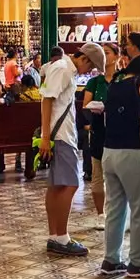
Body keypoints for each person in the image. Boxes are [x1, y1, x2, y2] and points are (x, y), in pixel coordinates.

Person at [99, 52, 140, 277]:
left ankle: (111, 259)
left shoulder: (115, 83)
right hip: (131, 152)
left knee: (115, 208)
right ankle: (138, 262)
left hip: (109, 151)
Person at [39, 40, 90, 257]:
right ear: (84, 59)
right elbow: (47, 100)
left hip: (60, 134)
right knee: (70, 184)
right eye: (91, 66)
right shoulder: (63, 69)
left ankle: (54, 236)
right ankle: (61, 236)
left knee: (57, 185)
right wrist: (45, 136)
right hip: (61, 135)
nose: (89, 71)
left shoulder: (62, 68)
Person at [80, 42, 117, 214]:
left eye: (107, 53)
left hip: (118, 133)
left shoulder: (122, 80)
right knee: (97, 174)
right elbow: (86, 105)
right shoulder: (95, 82)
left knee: (117, 176)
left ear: (116, 56)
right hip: (98, 131)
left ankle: (117, 212)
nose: (104, 57)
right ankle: (100, 213)